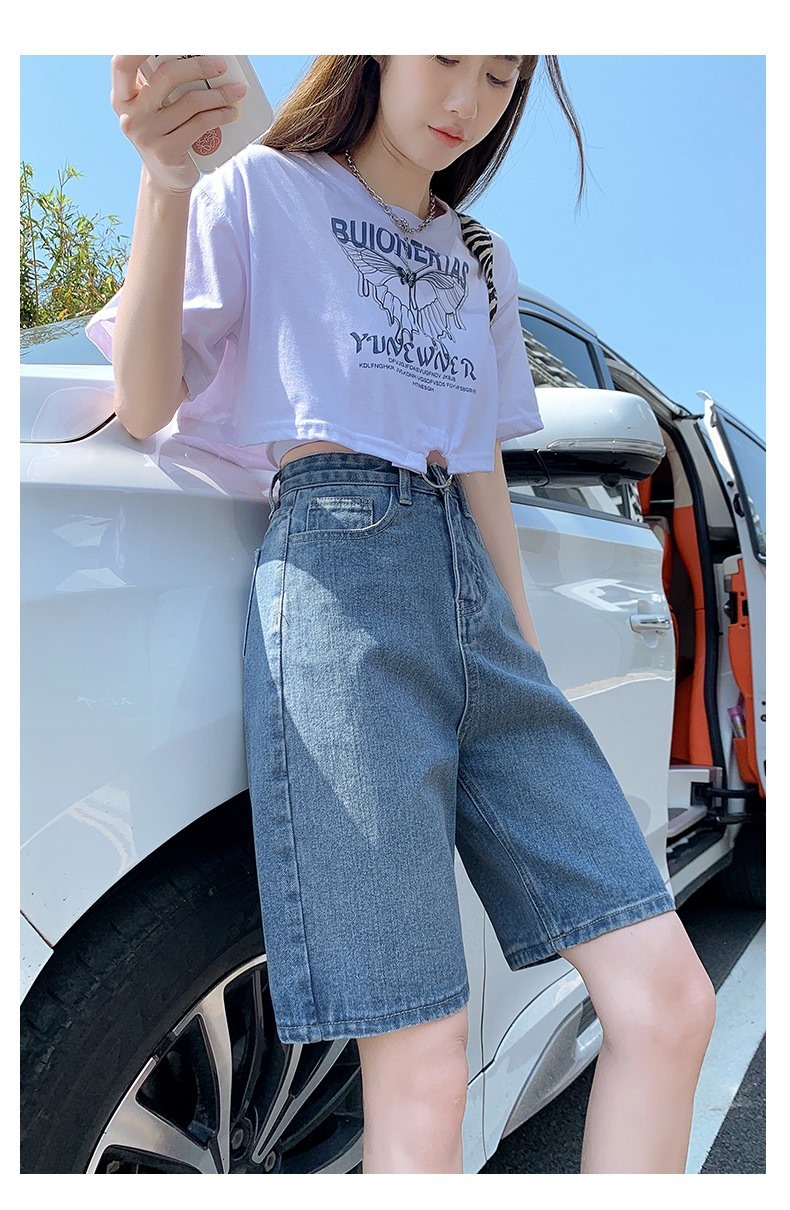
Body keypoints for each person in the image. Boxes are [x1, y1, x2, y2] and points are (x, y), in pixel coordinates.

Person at [87, 54, 716, 1175]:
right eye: (445, 58)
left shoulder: (481, 262)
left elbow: (480, 469)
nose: (466, 103)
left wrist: (522, 651)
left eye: (499, 78)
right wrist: (165, 186)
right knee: (422, 1057)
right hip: (341, 582)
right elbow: (144, 402)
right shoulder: (267, 186)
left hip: (474, 601)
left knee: (668, 1000)